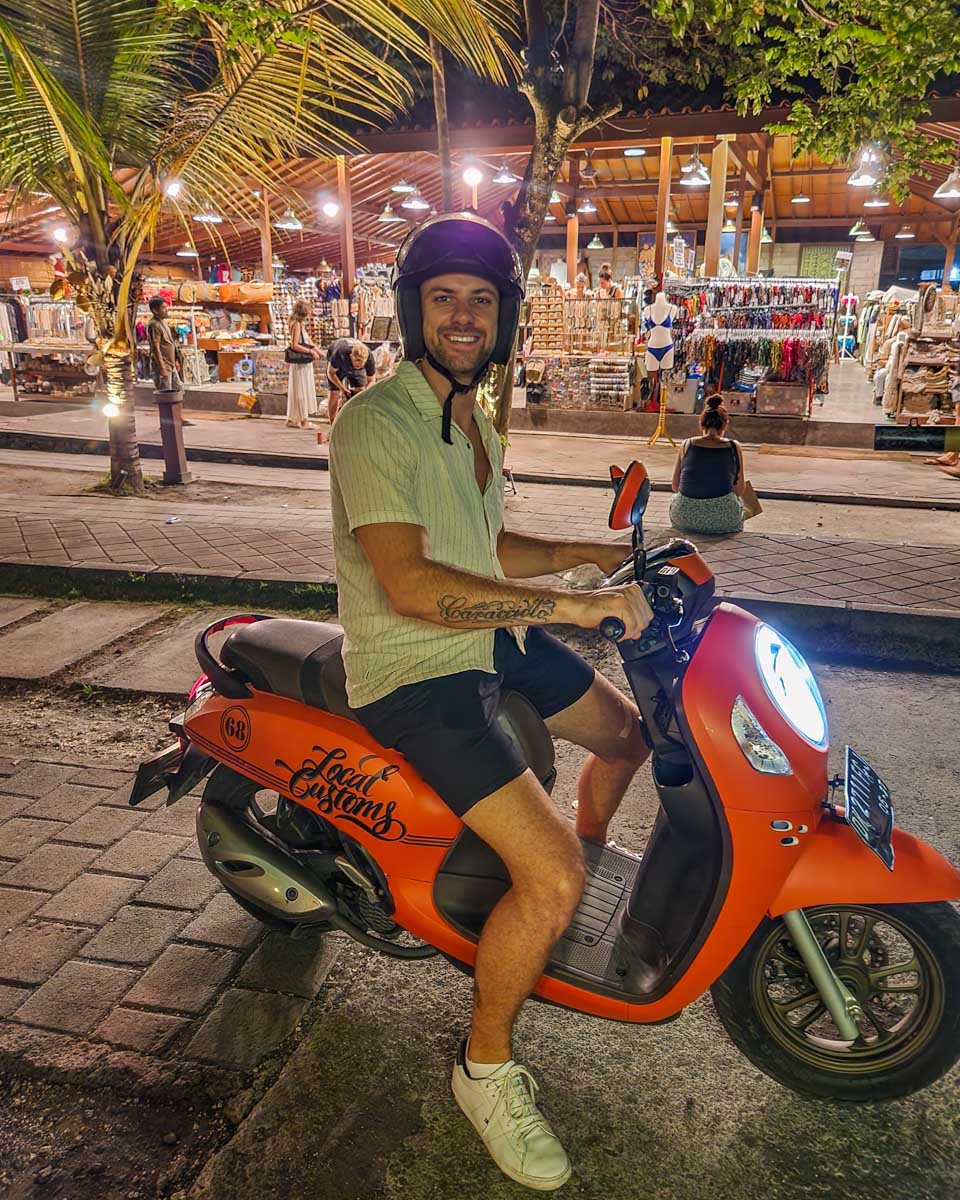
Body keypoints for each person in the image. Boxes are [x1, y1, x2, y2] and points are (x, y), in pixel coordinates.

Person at [329, 212, 653, 1191]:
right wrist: (573, 604)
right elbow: (417, 586)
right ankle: (486, 1064)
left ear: (503, 315)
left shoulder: (474, 419)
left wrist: (573, 556)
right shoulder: (372, 424)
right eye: (444, 299)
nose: (463, 317)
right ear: (412, 312)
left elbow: (483, 550)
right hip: (415, 671)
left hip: (491, 642)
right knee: (548, 879)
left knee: (629, 735)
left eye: (481, 300)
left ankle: (571, 870)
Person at [669, 396, 746, 535]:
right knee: (742, 502)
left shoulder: (686, 444)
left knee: (674, 499)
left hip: (685, 517)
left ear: (701, 423)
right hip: (725, 520)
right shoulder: (734, 446)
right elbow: (739, 490)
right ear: (725, 424)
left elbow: (675, 486)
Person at [286, 299, 320, 429]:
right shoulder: (298, 325)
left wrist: (316, 350)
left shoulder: (297, 324)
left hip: (299, 365)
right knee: (302, 389)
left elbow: (307, 341)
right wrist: (311, 351)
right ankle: (304, 421)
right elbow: (295, 345)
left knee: (298, 389)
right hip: (301, 364)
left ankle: (294, 418)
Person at [326, 336, 375, 424]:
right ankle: (332, 425)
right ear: (351, 356)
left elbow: (371, 380)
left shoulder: (369, 357)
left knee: (360, 391)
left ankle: (355, 422)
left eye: (361, 365)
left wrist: (365, 393)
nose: (358, 366)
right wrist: (341, 388)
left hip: (351, 364)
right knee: (334, 393)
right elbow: (331, 373)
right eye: (356, 364)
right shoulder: (339, 353)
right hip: (338, 366)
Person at [147, 297, 183, 392]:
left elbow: (170, 343)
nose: (166, 310)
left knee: (178, 390)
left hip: (170, 364)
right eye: (163, 308)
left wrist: (175, 360)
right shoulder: (154, 324)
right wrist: (162, 368)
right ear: (155, 310)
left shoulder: (163, 322)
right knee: (166, 394)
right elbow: (156, 347)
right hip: (163, 365)